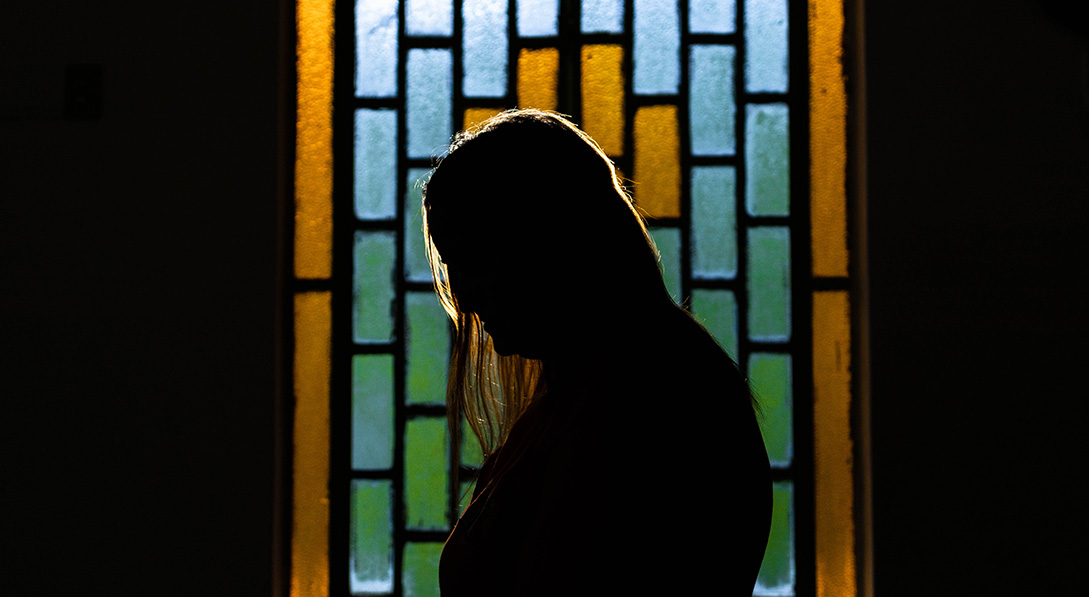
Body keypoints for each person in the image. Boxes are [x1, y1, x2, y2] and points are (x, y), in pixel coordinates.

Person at [423, 109, 771, 595]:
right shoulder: (589, 391)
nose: (462, 295)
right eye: (451, 263)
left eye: (475, 257)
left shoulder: (653, 397)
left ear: (547, 238)